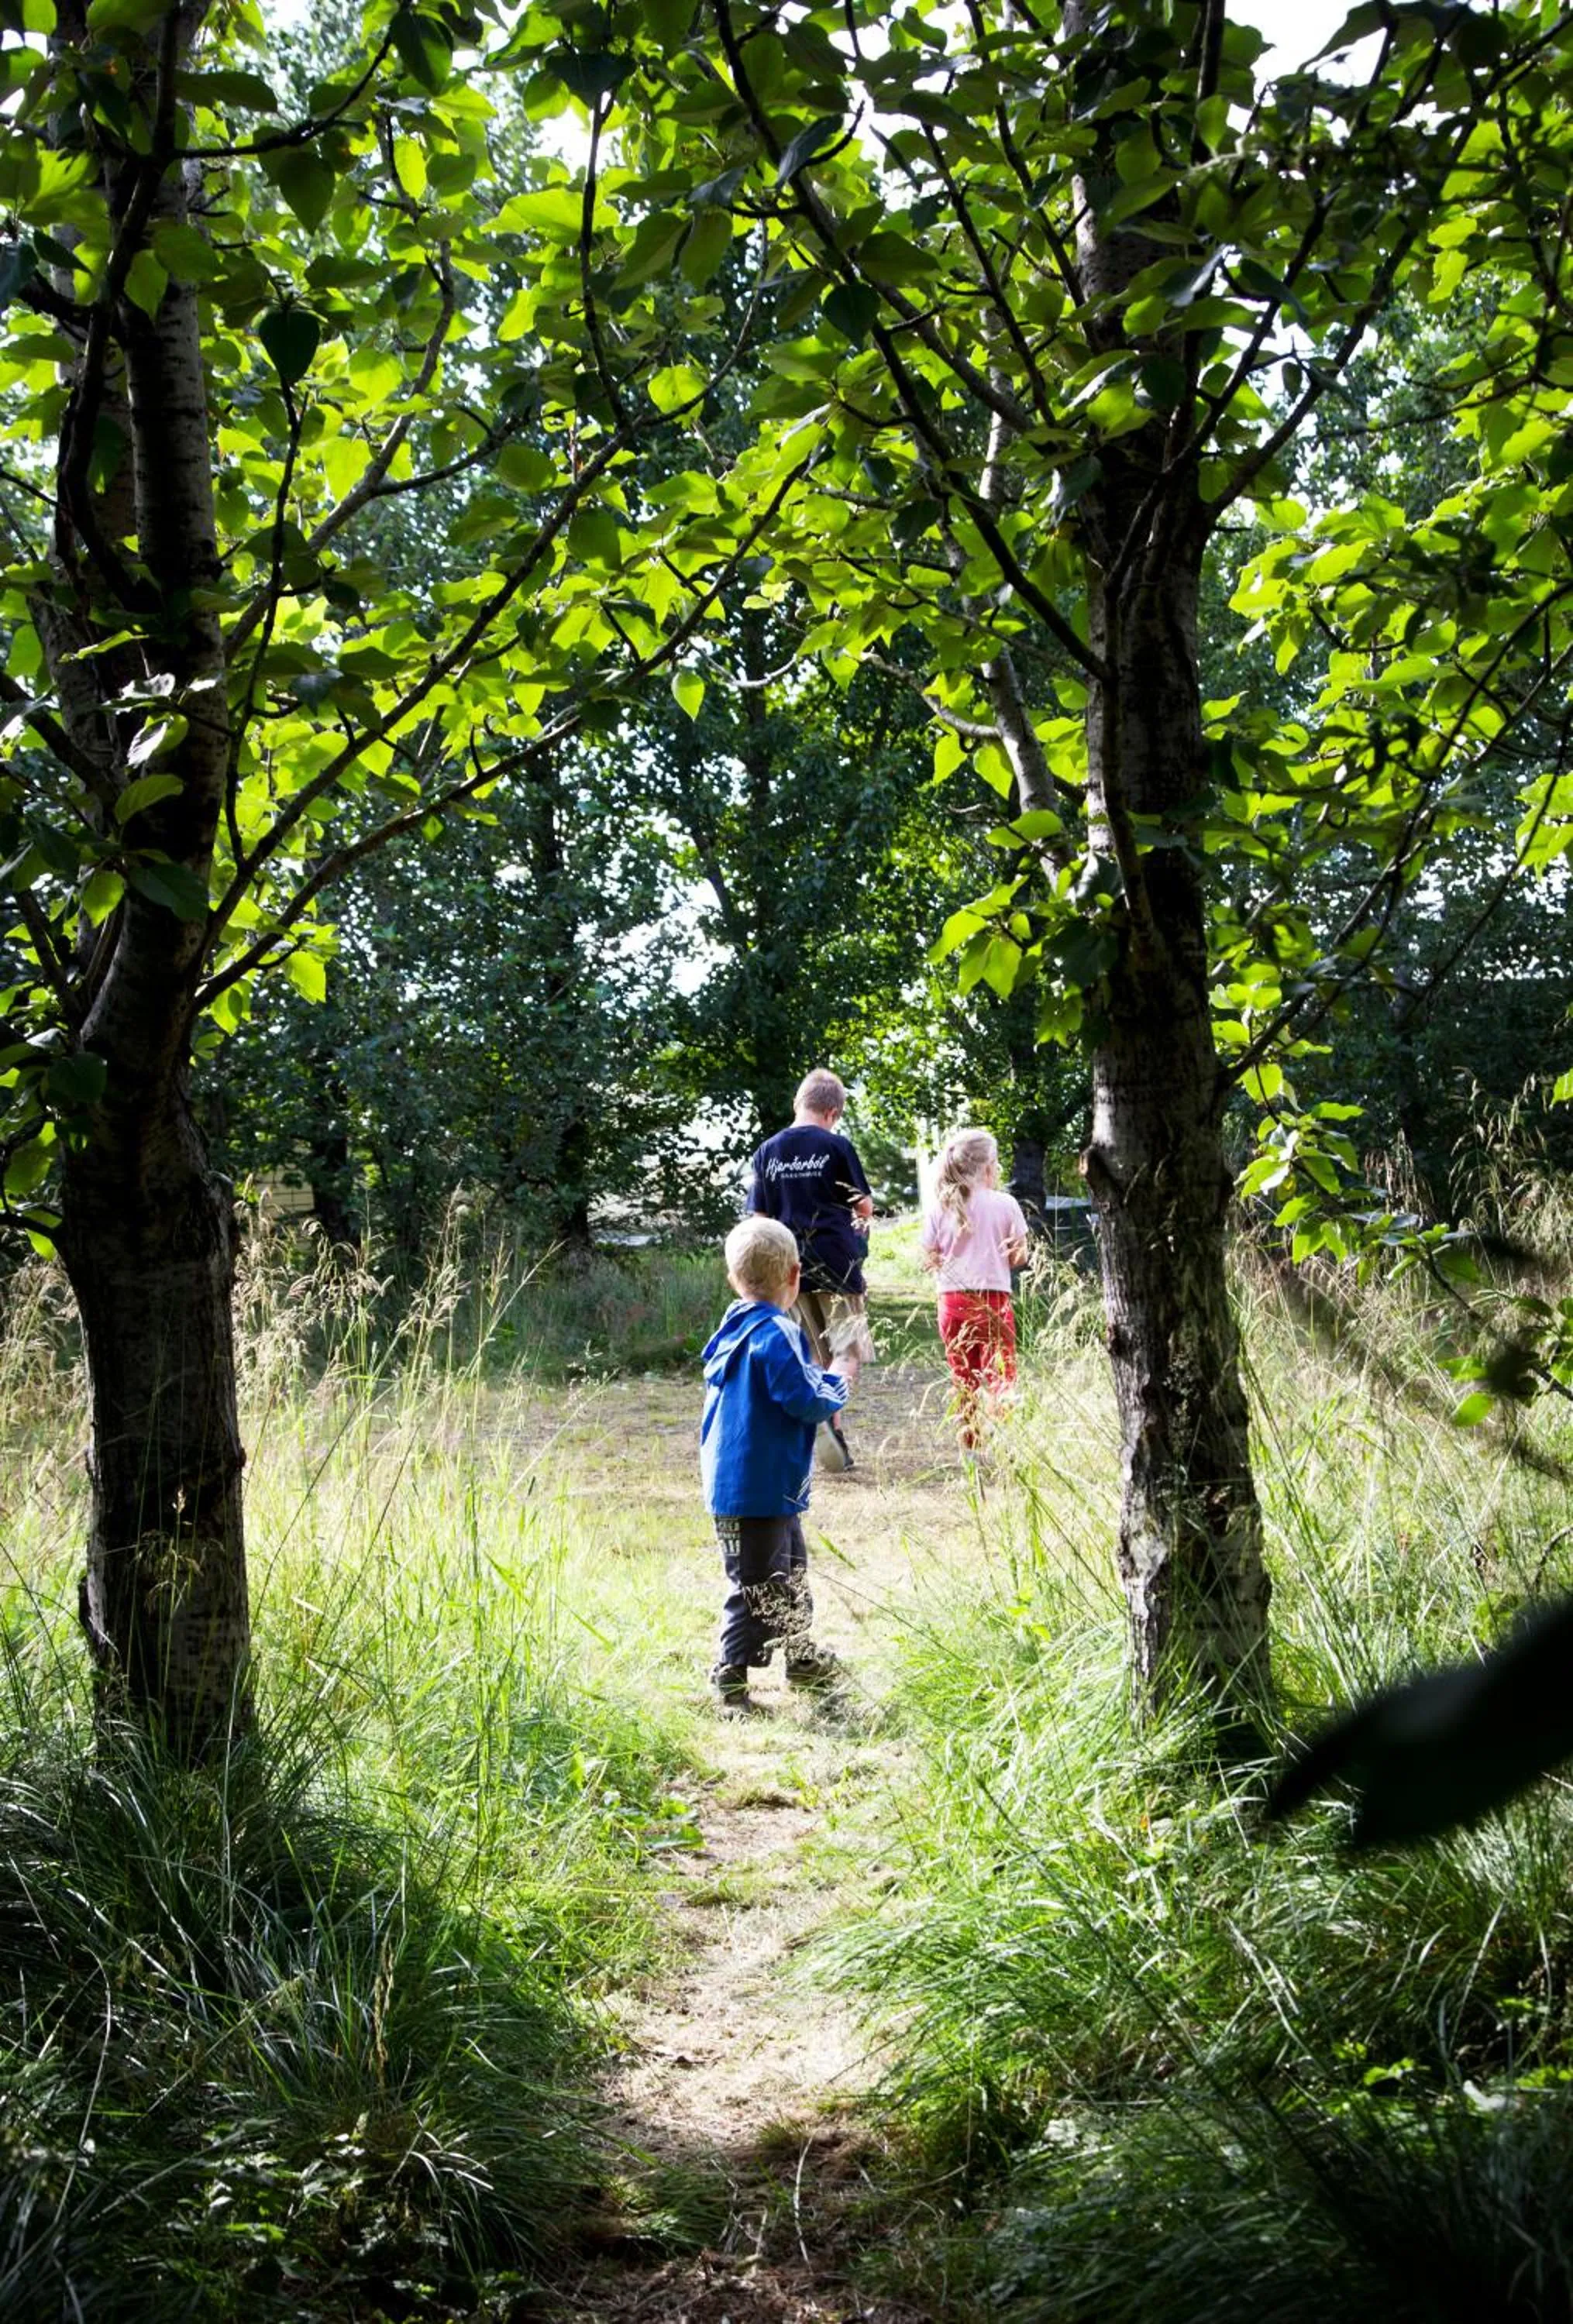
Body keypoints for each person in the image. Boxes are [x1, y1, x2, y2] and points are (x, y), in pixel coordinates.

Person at [700, 1215, 856, 1711]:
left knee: (787, 1572)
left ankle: (802, 1659)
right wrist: (838, 1381)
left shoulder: (734, 1327)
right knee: (755, 1586)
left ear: (733, 1280)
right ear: (795, 1276)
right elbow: (804, 1398)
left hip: (753, 1485)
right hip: (759, 1486)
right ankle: (730, 1683)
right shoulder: (777, 1332)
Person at [746, 1067, 875, 1471]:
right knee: (847, 1349)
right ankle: (828, 1417)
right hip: (836, 1260)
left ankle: (819, 1426)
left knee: (812, 1354)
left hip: (788, 1267)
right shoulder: (836, 1147)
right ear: (833, 1112)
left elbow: (760, 1217)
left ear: (798, 1103)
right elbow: (863, 1206)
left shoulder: (767, 1151)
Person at [919, 1127, 1029, 1451]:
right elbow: (1018, 1256)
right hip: (994, 1299)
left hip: (952, 1301)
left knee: (963, 1375)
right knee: (1001, 1372)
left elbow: (929, 1256)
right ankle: (1004, 1439)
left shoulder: (941, 1206)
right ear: (988, 1167)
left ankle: (971, 1443)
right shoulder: (1006, 1204)